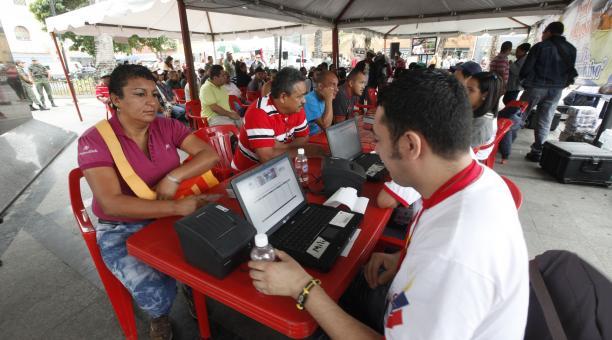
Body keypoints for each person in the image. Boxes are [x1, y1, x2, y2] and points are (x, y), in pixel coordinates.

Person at [247, 69, 529, 339]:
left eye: (379, 140)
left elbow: (444, 267)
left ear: (410, 145)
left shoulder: (452, 257)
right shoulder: (482, 183)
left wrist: (302, 287)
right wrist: (403, 259)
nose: (375, 150)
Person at [77, 64, 219, 340]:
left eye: (154, 94)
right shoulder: (94, 140)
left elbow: (209, 155)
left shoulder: (165, 126)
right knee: (152, 286)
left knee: (215, 247)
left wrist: (174, 177)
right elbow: (111, 204)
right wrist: (177, 207)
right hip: (122, 225)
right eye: (140, 94)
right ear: (115, 100)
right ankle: (159, 314)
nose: (152, 102)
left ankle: (192, 289)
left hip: (170, 211)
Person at [231, 67, 323, 172]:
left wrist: (281, 147)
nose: (304, 101)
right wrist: (304, 150)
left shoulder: (296, 108)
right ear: (283, 97)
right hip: (247, 174)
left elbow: (304, 138)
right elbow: (268, 158)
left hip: (281, 166)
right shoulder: (259, 112)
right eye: (299, 96)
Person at [519, 21, 577, 162]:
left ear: (549, 32)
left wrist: (523, 81)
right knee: (545, 120)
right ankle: (538, 151)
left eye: (544, 32)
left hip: (536, 86)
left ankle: (504, 144)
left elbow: (526, 68)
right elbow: (570, 71)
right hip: (556, 89)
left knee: (518, 115)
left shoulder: (540, 47)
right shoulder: (571, 49)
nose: (543, 35)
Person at [466, 72, 503, 161]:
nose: (464, 92)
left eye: (470, 90)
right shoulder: (477, 109)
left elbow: (458, 152)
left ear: (485, 95)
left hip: (471, 158)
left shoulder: (481, 123)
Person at [304, 71, 338, 135]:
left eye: (337, 85)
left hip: (320, 135)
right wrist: (329, 99)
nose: (337, 89)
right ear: (320, 86)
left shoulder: (323, 98)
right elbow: (326, 126)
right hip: (309, 140)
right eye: (333, 85)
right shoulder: (309, 99)